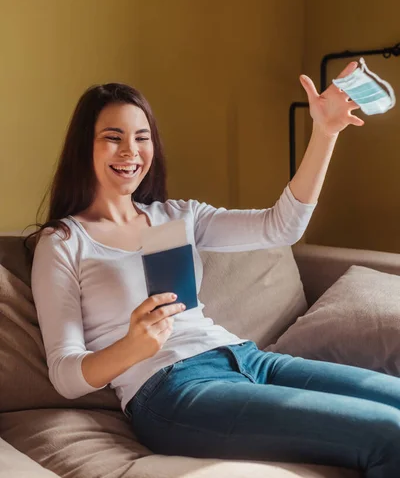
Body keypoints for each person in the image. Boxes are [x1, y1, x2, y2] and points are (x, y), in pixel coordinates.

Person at [28, 62, 400, 477]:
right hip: (172, 391)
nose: (131, 152)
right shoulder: (63, 242)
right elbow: (65, 374)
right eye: (112, 139)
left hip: (248, 360)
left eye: (141, 137)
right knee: (388, 433)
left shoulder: (178, 217)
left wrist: (325, 132)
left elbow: (281, 227)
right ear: (85, 148)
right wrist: (132, 346)